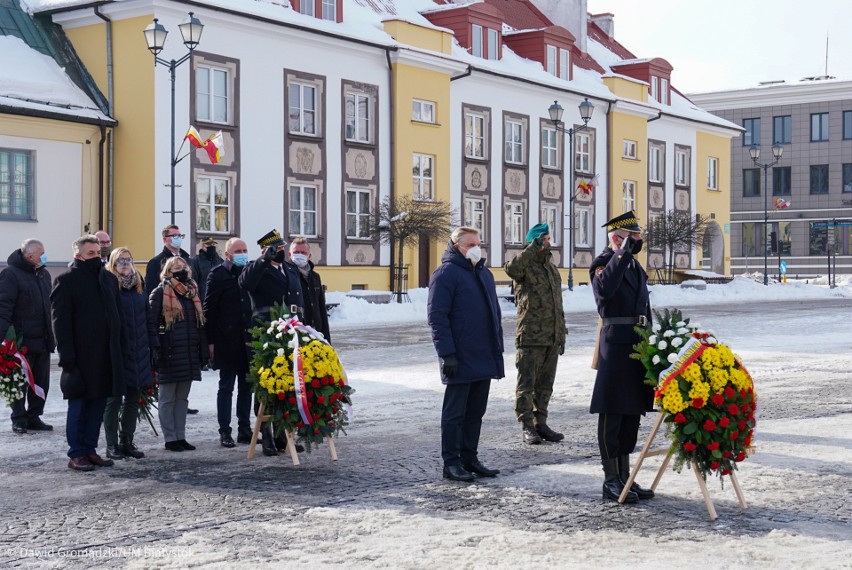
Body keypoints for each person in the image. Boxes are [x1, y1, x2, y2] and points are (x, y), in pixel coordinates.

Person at [427, 226, 504, 482]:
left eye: (478, 243)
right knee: (455, 413)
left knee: (475, 412)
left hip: (483, 354)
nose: (476, 248)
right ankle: (451, 462)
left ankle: (469, 457)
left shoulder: (483, 273)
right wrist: (446, 353)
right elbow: (437, 317)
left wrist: (497, 348)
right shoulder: (445, 274)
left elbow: (494, 314)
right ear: (456, 246)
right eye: (470, 244)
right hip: (459, 357)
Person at [589, 211, 655, 503]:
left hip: (637, 345)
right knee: (613, 413)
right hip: (616, 347)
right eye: (633, 238)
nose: (638, 243)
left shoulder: (635, 267)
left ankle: (626, 477)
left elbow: (643, 306)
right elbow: (604, 293)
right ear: (618, 238)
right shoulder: (604, 263)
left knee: (631, 413)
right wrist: (621, 255)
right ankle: (610, 479)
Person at [51, 235, 124, 472]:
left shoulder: (109, 279)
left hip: (106, 356)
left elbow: (116, 315)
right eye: (91, 253)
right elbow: (60, 322)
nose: (97, 257)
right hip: (80, 357)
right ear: (78, 255)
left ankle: (90, 449)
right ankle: (76, 453)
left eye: (98, 252)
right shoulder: (66, 280)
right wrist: (67, 356)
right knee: (79, 406)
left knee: (98, 405)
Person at [239, 229, 304, 457]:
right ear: (266, 250)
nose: (281, 252)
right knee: (266, 384)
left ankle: (284, 434)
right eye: (276, 249)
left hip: (291, 332)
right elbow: (245, 283)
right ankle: (265, 436)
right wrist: (263, 260)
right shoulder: (256, 268)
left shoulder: (290, 268)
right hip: (266, 333)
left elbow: (298, 299)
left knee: (288, 383)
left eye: (282, 248)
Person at [504, 223, 567, 445]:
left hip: (551, 337)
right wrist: (532, 248)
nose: (547, 242)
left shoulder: (551, 268)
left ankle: (541, 423)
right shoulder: (524, 266)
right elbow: (511, 269)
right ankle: (527, 426)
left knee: (545, 385)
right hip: (530, 336)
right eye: (543, 239)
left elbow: (557, 304)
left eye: (548, 238)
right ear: (533, 241)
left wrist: (561, 333)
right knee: (526, 385)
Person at [148, 256, 208, 452]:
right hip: (169, 352)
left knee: (182, 399)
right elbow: (152, 324)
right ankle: (170, 438)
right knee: (167, 398)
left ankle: (180, 436)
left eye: (183, 267)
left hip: (189, 353)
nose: (181, 270)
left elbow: (200, 325)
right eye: (176, 268)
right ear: (167, 271)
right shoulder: (160, 292)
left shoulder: (192, 293)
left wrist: (203, 351)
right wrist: (156, 349)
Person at [103, 248, 155, 459]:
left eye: (128, 259)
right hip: (117, 351)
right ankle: (111, 444)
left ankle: (127, 440)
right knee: (113, 400)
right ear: (113, 264)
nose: (125, 263)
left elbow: (148, 318)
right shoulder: (108, 286)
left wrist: (153, 345)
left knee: (134, 399)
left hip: (140, 350)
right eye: (120, 260)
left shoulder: (139, 286)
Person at [0, 239, 55, 434]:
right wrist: (4, 340)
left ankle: (34, 416)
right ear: (30, 256)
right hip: (20, 342)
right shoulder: (10, 275)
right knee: (19, 382)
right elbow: (3, 307)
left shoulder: (44, 274)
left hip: (43, 338)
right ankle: (19, 418)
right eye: (42, 253)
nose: (45, 256)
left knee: (41, 382)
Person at [203, 238, 253, 448]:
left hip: (248, 340)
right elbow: (209, 311)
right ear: (227, 254)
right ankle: (225, 430)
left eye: (245, 250)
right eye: (238, 250)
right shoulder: (217, 275)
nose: (242, 253)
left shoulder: (250, 273)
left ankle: (245, 428)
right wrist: (211, 342)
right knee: (226, 387)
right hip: (226, 340)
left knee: (246, 387)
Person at [286, 236, 330, 341]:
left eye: (303, 253)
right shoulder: (286, 274)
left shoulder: (315, 277)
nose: (300, 255)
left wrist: (327, 338)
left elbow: (321, 309)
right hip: (296, 333)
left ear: (309, 255)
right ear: (290, 254)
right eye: (296, 252)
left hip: (316, 332)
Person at [145, 224, 190, 299]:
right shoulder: (156, 262)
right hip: (167, 302)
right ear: (165, 239)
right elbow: (151, 290)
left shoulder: (187, 259)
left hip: (187, 301)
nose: (178, 238)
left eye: (180, 235)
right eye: (175, 236)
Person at [189, 237, 223, 306]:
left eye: (213, 244)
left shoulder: (220, 261)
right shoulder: (195, 261)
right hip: (203, 302)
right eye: (209, 244)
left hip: (219, 302)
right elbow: (193, 282)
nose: (212, 246)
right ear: (203, 246)